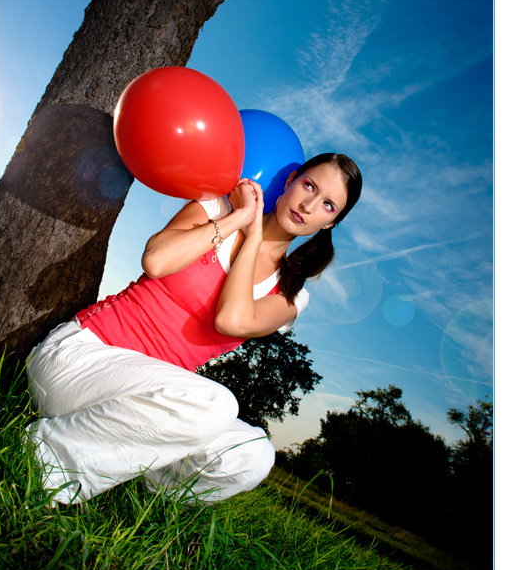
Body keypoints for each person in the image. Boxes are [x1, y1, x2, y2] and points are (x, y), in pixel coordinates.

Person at [25, 152, 362, 506]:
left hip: (144, 411)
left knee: (253, 454)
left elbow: (230, 320)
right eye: (309, 185)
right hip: (80, 361)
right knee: (217, 405)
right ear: (292, 179)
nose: (308, 205)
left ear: (329, 223)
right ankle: (39, 460)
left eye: (327, 205)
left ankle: (139, 486)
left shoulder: (291, 294)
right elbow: (156, 260)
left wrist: (254, 237)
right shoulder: (216, 209)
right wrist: (241, 218)